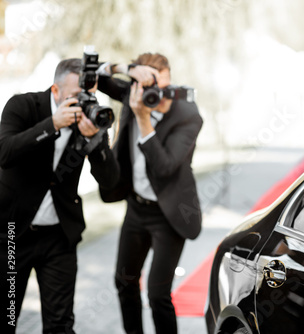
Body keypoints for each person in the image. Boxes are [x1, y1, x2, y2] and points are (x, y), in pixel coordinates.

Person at [0, 58, 118, 333]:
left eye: (88, 95)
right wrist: (51, 125)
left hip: (59, 236)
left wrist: (96, 142)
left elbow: (110, 184)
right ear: (56, 90)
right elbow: (4, 153)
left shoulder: (90, 120)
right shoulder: (24, 106)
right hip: (12, 234)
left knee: (60, 325)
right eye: (76, 96)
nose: (83, 102)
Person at [97, 53, 203, 334]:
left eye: (167, 86)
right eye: (154, 86)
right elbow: (93, 74)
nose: (163, 94)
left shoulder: (188, 115)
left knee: (157, 294)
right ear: (136, 85)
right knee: (124, 281)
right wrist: (128, 69)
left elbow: (165, 167)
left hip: (169, 213)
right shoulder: (133, 93)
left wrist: (144, 119)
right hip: (136, 208)